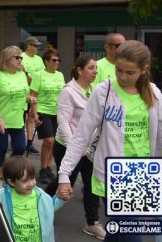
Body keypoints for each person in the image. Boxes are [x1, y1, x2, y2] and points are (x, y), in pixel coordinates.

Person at [57, 40, 162, 242]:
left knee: (119, 231)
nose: (123, 77)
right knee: (131, 233)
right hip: (112, 173)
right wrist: (64, 174)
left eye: (129, 72)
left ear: (144, 70)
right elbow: (82, 135)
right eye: (119, 70)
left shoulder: (153, 93)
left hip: (143, 174)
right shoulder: (103, 91)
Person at [44, 56, 105, 240]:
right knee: (64, 183)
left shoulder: (95, 90)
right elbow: (63, 122)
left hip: (90, 149)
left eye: (96, 68)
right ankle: (41, 207)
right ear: (80, 70)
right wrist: (75, 148)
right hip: (68, 147)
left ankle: (92, 222)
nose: (95, 71)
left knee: (92, 183)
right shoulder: (68, 91)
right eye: (91, 68)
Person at [0, 46, 34, 188]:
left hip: (17, 119)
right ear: (7, 59)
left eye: (21, 57)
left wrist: (29, 99)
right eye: (17, 57)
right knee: (1, 148)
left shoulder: (21, 74)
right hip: (2, 120)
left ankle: (9, 171)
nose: (20, 59)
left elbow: (24, 93)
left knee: (20, 148)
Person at [0, 156, 65, 242]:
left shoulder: (40, 195)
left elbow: (50, 206)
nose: (31, 183)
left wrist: (62, 198)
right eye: (25, 181)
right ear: (11, 182)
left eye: (32, 178)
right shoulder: (2, 195)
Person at [29, 48, 65, 184]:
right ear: (46, 61)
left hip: (57, 113)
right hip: (43, 111)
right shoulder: (39, 75)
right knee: (48, 141)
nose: (56, 62)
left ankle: (48, 167)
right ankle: (43, 169)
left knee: (53, 143)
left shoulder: (60, 75)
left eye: (58, 60)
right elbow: (32, 96)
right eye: (53, 60)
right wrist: (34, 114)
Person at [21, 36, 45, 155]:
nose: (37, 48)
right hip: (23, 93)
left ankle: (29, 143)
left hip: (34, 93)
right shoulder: (21, 57)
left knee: (31, 118)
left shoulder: (39, 60)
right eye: (35, 46)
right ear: (28, 46)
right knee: (21, 118)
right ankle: (19, 141)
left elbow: (42, 75)